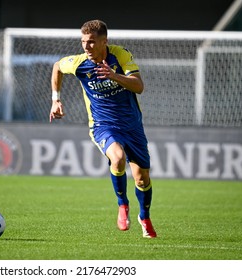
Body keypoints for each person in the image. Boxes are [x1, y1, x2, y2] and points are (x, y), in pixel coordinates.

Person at [49, 19, 156, 238]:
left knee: (142, 178)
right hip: (102, 125)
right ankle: (122, 205)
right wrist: (56, 100)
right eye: (83, 42)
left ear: (104, 42)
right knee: (117, 158)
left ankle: (144, 217)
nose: (86, 47)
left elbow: (139, 86)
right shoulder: (79, 63)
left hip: (132, 126)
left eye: (91, 42)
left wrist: (114, 76)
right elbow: (57, 67)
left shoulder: (120, 55)